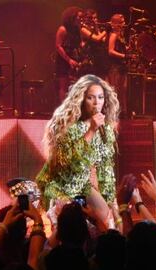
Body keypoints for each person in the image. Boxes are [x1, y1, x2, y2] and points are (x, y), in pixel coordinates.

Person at [36, 74, 120, 226]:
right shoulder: (69, 128)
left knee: (109, 224)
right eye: (91, 98)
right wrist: (91, 130)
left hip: (90, 186)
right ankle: (56, 212)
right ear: (82, 99)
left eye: (101, 97)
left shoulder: (107, 129)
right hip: (67, 184)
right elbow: (70, 162)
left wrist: (110, 200)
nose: (97, 103)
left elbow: (106, 167)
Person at [55, 6, 83, 103]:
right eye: (78, 17)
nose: (80, 19)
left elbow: (79, 44)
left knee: (75, 85)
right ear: (72, 17)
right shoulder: (62, 29)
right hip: (64, 59)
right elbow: (58, 46)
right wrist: (69, 60)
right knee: (64, 85)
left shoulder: (76, 30)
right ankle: (63, 110)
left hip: (74, 59)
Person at [107, 14, 128, 117]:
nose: (124, 24)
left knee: (122, 89)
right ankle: (113, 113)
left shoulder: (121, 35)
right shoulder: (114, 35)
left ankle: (123, 112)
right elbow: (110, 51)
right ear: (115, 24)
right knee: (115, 89)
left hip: (122, 66)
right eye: (121, 22)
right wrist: (124, 55)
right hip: (115, 66)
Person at [79, 9, 108, 78]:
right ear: (85, 19)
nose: (93, 20)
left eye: (95, 18)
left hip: (99, 58)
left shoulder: (95, 28)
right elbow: (97, 39)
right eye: (90, 18)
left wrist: (97, 28)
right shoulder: (83, 29)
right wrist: (106, 30)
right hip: (90, 59)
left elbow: (103, 40)